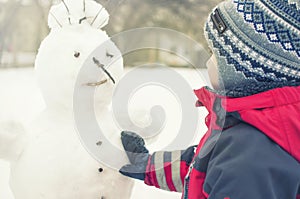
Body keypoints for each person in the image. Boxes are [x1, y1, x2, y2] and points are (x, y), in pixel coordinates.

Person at [119, 0, 300, 198]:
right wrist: (146, 165)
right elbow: (199, 167)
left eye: (215, 54)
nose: (207, 61)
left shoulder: (250, 159)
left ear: (243, 71)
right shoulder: (248, 128)